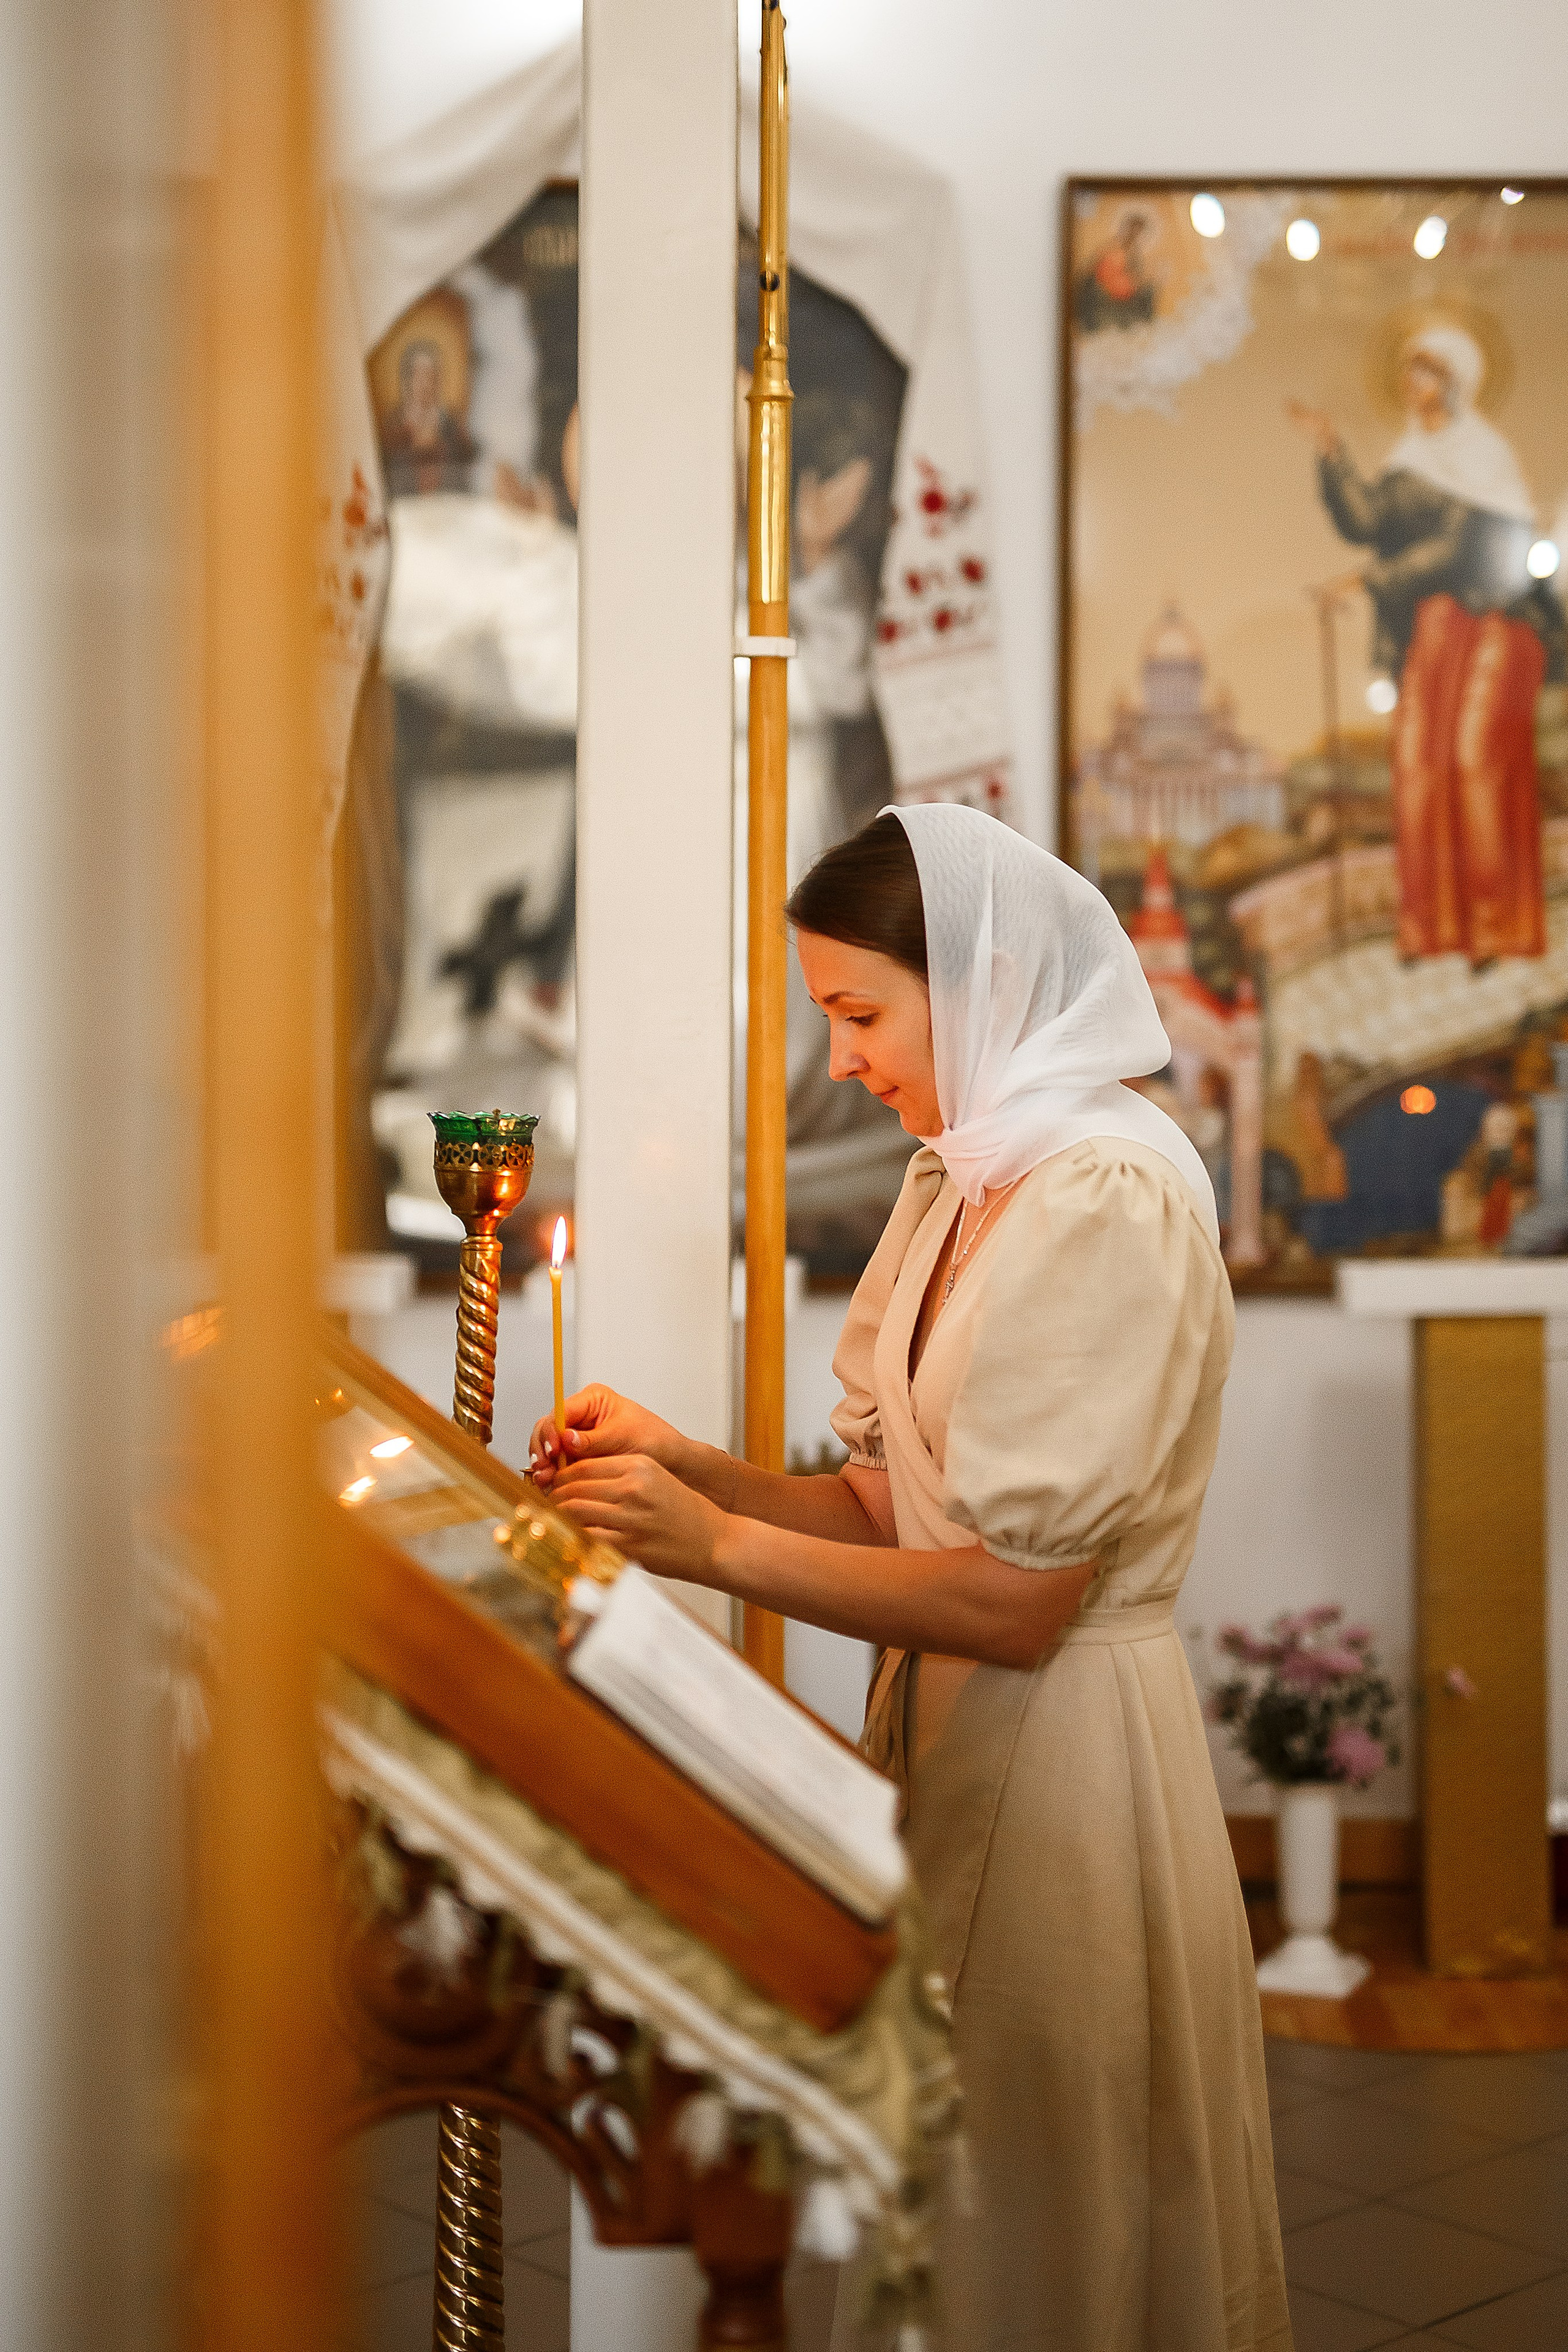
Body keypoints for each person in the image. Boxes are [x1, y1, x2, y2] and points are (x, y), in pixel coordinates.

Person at [530, 805, 1291, 2352]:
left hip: (1063, 1751)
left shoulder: (1100, 1190)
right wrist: (688, 1467)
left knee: (1037, 2204)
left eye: (861, 1014)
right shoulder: (967, 1170)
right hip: (948, 1735)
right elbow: (891, 1504)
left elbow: (1016, 1598)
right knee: (948, 2194)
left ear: (985, 979)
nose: (844, 1060)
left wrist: (714, 1551)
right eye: (829, 1017)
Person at [1289, 323, 1566, 966]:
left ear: (1454, 382)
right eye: (1410, 373)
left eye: (1428, 373)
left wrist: (1366, 579)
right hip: (1433, 635)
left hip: (1495, 624)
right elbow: (1364, 519)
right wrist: (1331, 451)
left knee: (1475, 760)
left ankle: (1496, 929)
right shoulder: (1409, 461)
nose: (1415, 386)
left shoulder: (1486, 458)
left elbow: (1458, 547)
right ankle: (1430, 928)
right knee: (1415, 766)